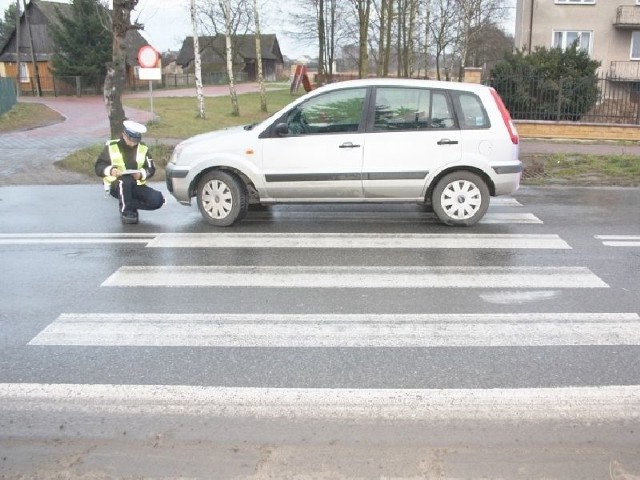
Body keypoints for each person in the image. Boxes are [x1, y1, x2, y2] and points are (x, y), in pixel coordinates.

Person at [95, 120, 164, 224]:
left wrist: (141, 174)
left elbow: (151, 169)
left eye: (136, 141)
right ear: (124, 135)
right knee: (125, 180)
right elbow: (99, 166)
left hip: (136, 185)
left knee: (157, 200)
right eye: (131, 140)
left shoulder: (143, 148)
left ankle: (129, 204)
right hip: (116, 185)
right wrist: (111, 170)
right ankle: (126, 212)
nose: (133, 144)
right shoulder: (112, 147)